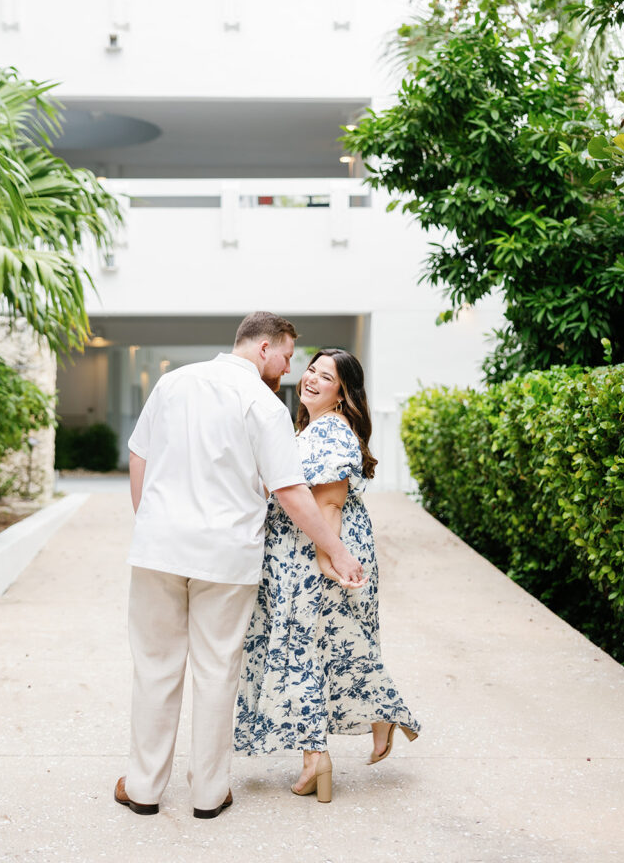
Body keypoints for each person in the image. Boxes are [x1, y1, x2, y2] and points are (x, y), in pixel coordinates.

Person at [114, 313, 364, 820]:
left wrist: (151, 521)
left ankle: (142, 789)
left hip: (159, 547)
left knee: (155, 668)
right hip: (226, 557)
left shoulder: (172, 382)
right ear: (266, 347)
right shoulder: (262, 404)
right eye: (290, 356)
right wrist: (336, 549)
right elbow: (290, 490)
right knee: (216, 671)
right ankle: (208, 794)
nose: (291, 368)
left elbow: (138, 456)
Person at [235, 348, 420, 802]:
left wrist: (327, 558)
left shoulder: (332, 431)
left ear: (343, 393)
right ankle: (373, 718)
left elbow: (331, 501)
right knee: (329, 646)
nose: (312, 380)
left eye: (326, 377)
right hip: (301, 555)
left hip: (315, 555)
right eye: (311, 370)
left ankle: (318, 755)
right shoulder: (310, 428)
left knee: (304, 651)